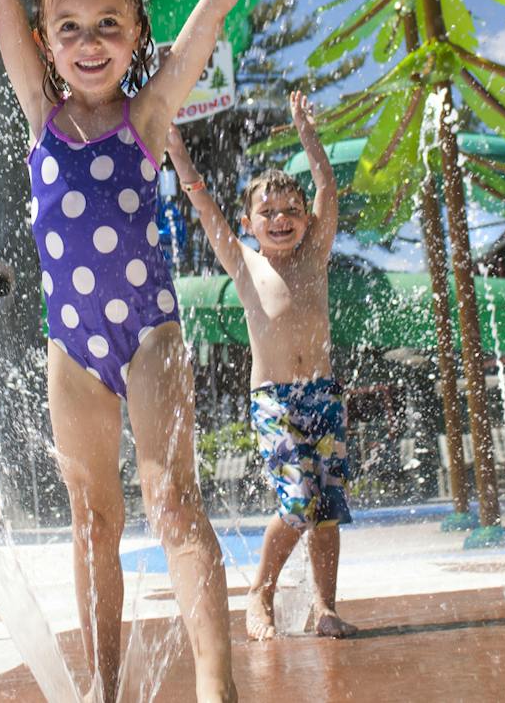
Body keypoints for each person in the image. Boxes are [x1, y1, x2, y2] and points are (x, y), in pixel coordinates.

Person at [0, 0, 313, 703]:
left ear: (136, 37)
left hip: (147, 335)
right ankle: (100, 686)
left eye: (107, 25)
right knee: (92, 519)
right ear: (47, 42)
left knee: (174, 499)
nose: (87, 40)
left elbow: (211, 9)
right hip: (73, 349)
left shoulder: (148, 117)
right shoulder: (41, 114)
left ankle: (217, 684)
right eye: (68, 28)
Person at [165, 92, 357, 643]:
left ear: (307, 221)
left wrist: (308, 135)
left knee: (325, 512)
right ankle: (260, 593)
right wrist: (177, 151)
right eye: (267, 213)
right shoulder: (244, 262)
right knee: (297, 503)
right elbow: (202, 204)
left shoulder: (315, 255)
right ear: (248, 223)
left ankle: (325, 606)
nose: (281, 219)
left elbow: (326, 187)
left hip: (322, 394)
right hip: (275, 400)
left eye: (291, 211)